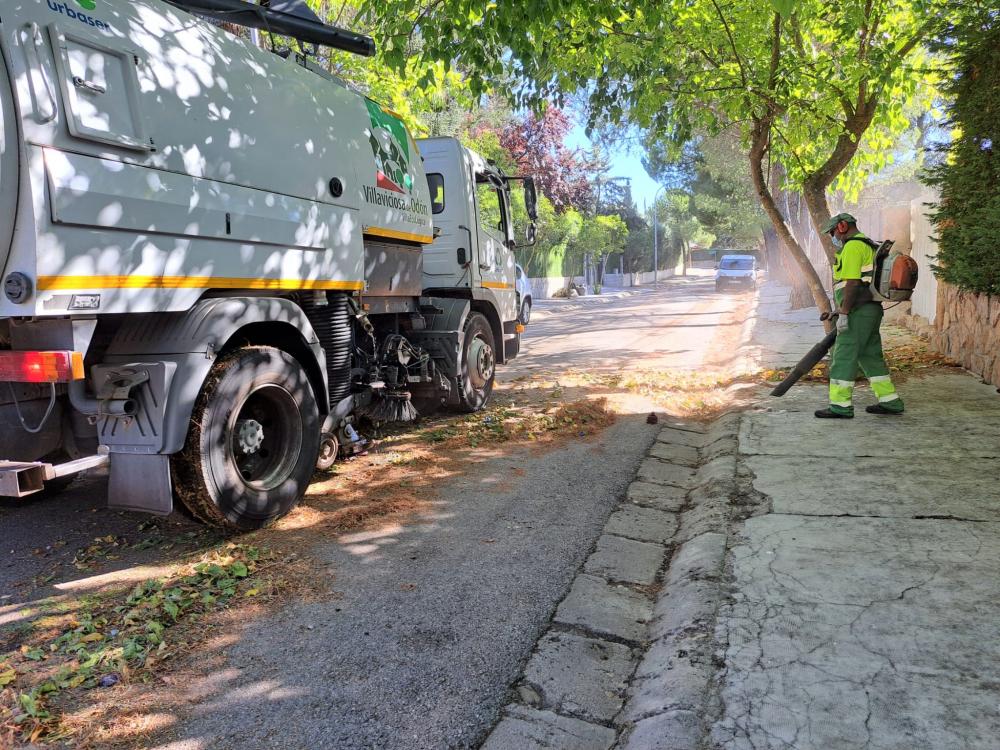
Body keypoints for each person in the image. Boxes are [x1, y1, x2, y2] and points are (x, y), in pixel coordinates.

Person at [814, 213, 904, 419]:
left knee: (844, 356)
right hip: (869, 310)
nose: (833, 236)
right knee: (870, 356)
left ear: (843, 226)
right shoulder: (868, 245)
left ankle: (840, 406)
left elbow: (853, 283)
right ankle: (890, 402)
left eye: (833, 231)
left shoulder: (854, 247)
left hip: (857, 313)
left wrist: (844, 313)